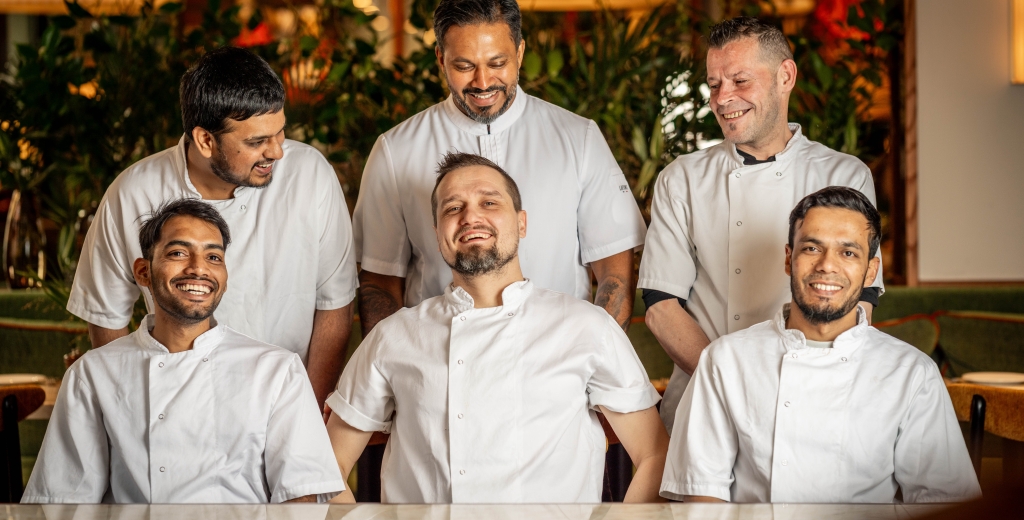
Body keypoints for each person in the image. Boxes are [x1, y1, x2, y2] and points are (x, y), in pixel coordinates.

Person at [325, 153, 668, 503]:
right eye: (452, 208)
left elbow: (655, 454)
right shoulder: (392, 337)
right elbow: (327, 465)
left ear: (522, 223)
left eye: (489, 202)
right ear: (437, 234)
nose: (471, 216)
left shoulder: (588, 327)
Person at [66, 47, 357, 409]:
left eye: (279, 133)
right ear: (205, 140)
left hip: (288, 401)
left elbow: (335, 305)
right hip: (175, 404)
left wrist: (307, 417)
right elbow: (105, 314)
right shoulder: (133, 192)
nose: (277, 153)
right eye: (256, 142)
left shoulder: (310, 174)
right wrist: (135, 413)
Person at [638, 17, 885, 432]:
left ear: (785, 76)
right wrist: (731, 383)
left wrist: (798, 385)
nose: (722, 98)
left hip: (813, 399)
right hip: (705, 400)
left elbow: (859, 301)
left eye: (739, 81)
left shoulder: (845, 175)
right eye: (714, 84)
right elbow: (662, 308)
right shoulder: (681, 179)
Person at [660, 187, 981, 504]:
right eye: (812, 248)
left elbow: (945, 502)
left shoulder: (912, 374)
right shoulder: (725, 361)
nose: (827, 265)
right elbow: (703, 495)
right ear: (789, 259)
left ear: (871, 271)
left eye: (848, 252)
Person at [353, 0, 646, 338]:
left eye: (497, 63)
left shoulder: (578, 137)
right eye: (464, 65)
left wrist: (599, 362)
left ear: (519, 53)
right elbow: (380, 283)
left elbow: (615, 273)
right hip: (437, 362)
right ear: (440, 59)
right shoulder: (395, 150)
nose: (482, 82)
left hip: (557, 360)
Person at [23, 199, 345, 504]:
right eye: (178, 253)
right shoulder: (92, 374)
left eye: (213, 257)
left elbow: (301, 499)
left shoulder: (276, 371)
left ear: (225, 276)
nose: (198, 269)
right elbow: (63, 501)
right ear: (143, 272)